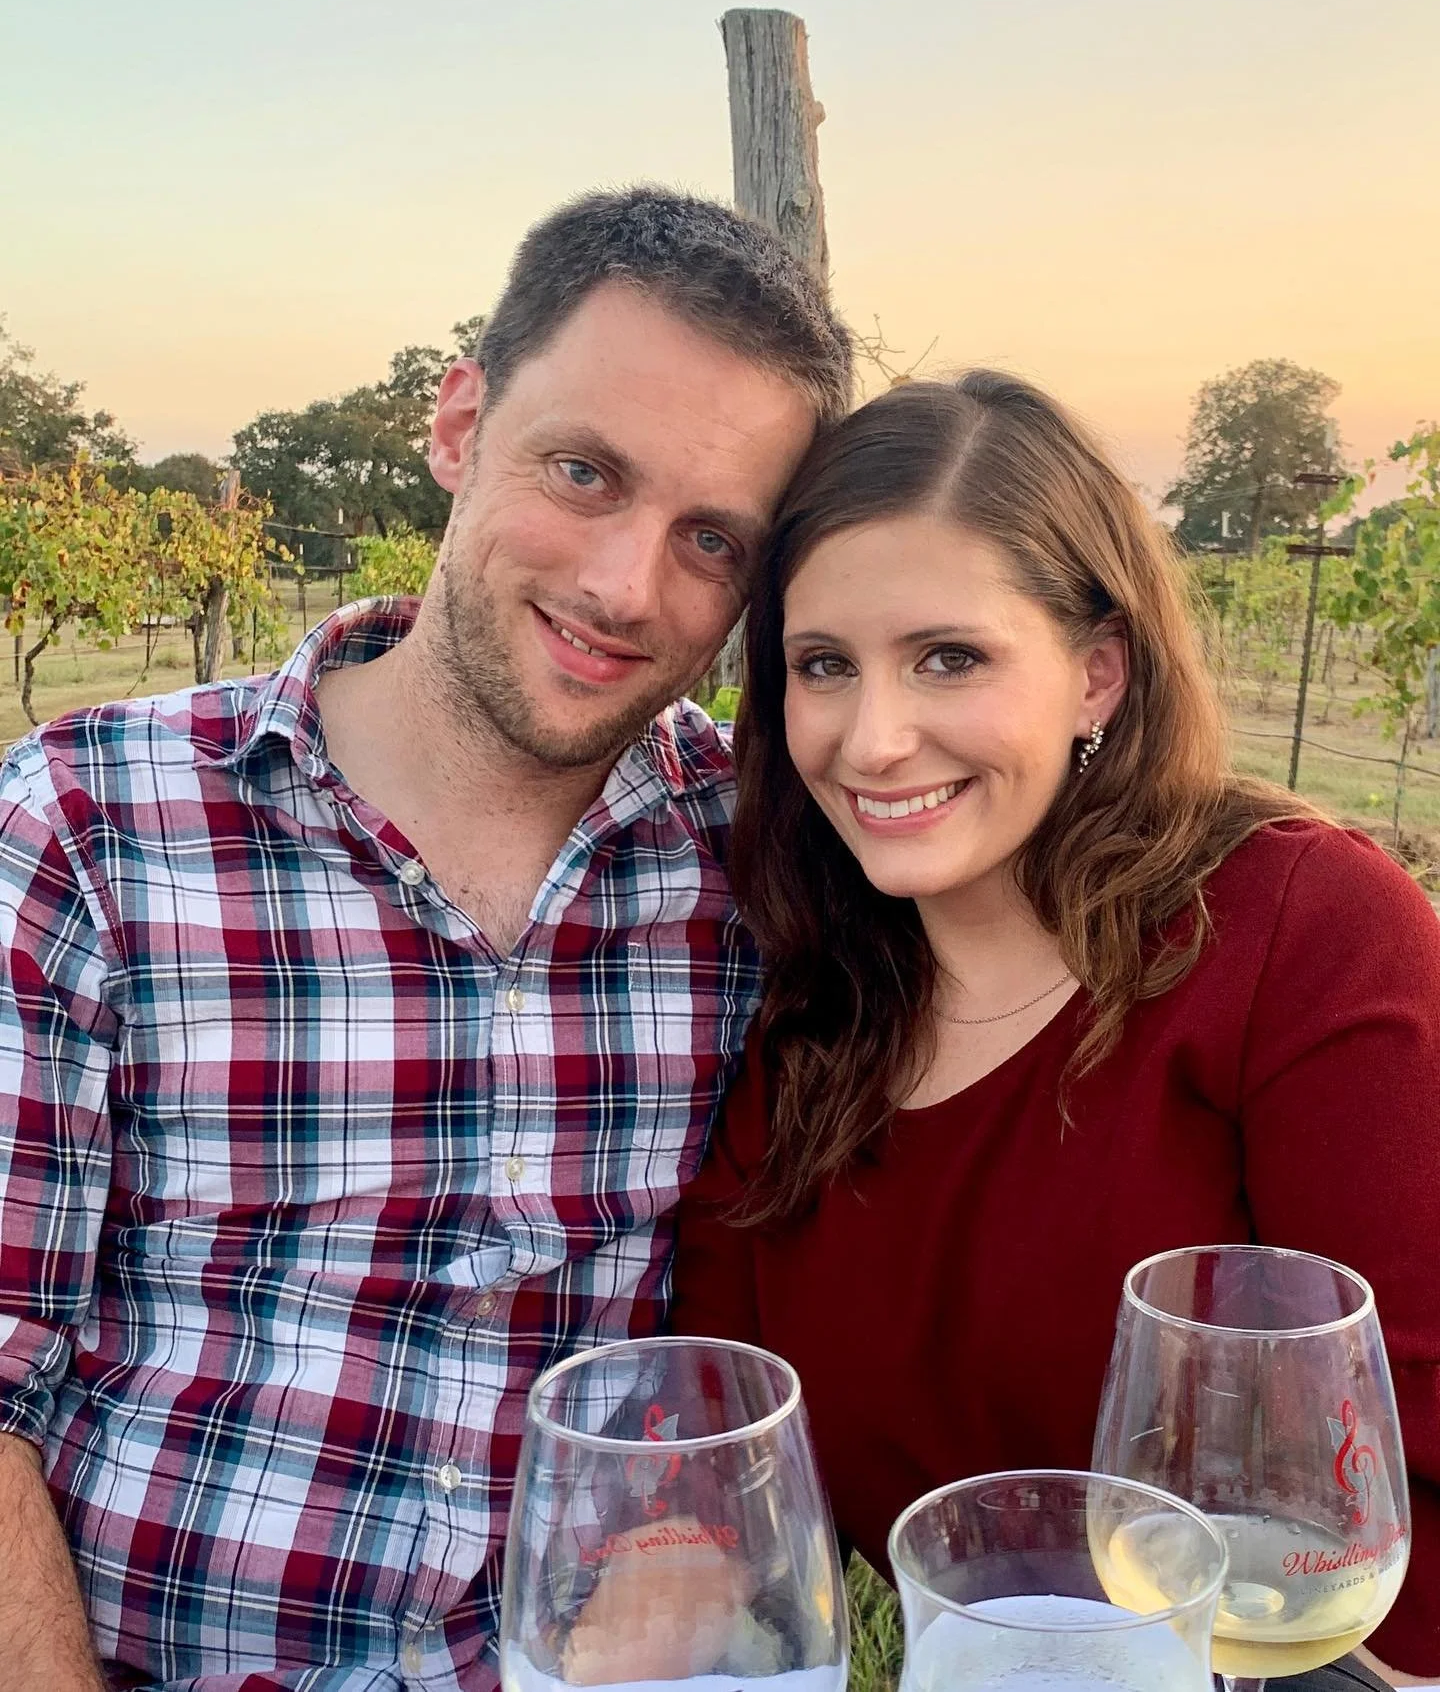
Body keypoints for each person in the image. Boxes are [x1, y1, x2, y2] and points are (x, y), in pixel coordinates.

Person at [0, 187, 851, 1692]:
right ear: (460, 425)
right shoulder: (91, 824)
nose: (622, 586)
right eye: (584, 471)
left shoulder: (769, 862)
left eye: (710, 539)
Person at [672, 372, 1440, 1687]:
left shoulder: (1297, 934)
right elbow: (719, 1448)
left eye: (949, 657)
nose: (874, 737)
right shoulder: (811, 1017)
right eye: (823, 666)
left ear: (1097, 673)